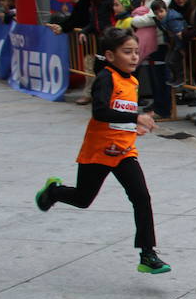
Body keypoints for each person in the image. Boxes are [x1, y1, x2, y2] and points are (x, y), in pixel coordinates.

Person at [34, 27, 169, 275]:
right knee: (82, 199)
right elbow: (100, 112)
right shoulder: (106, 78)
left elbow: (120, 115)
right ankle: (53, 191)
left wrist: (133, 127)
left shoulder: (133, 80)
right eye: (127, 52)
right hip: (98, 152)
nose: (134, 57)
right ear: (110, 55)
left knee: (141, 197)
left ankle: (147, 254)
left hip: (124, 152)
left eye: (136, 52)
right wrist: (135, 118)